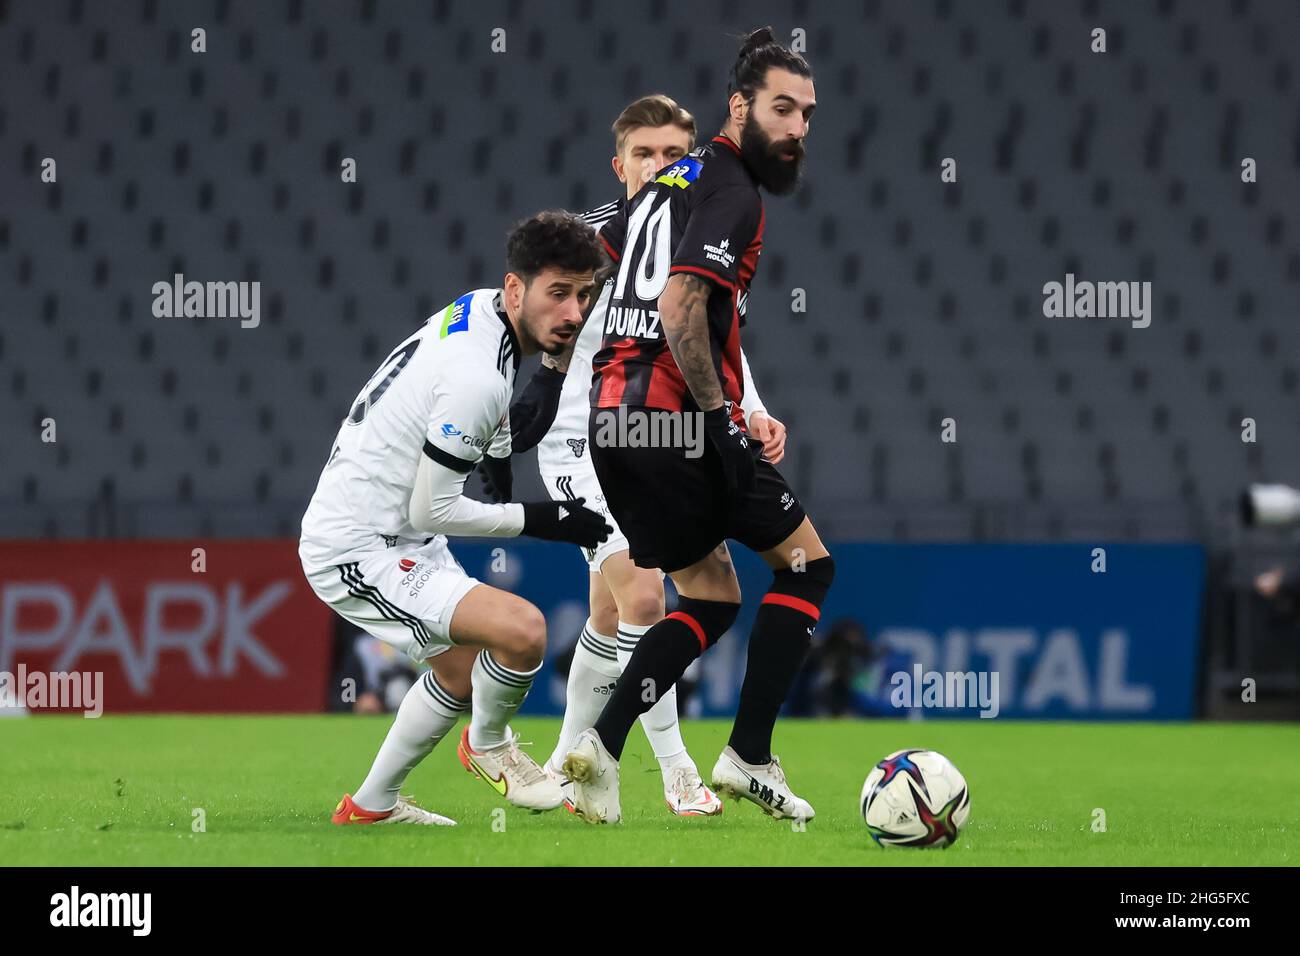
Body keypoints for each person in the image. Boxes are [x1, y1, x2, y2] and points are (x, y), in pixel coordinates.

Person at [562, 28, 832, 824]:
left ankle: (599, 754)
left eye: (808, 115)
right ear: (740, 106)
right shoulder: (732, 191)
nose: (797, 129)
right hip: (673, 421)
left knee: (709, 596)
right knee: (808, 567)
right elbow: (682, 307)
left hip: (615, 427)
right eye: (782, 109)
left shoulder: (660, 186)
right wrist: (720, 423)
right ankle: (748, 757)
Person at [492, 93, 788, 816]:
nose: (659, 166)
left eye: (673, 155)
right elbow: (520, 318)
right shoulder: (588, 243)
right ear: (618, 162)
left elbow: (713, 336)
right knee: (648, 597)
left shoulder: (698, 232)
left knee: (607, 613)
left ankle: (568, 767)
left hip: (659, 435)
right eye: (644, 154)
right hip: (580, 440)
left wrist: (750, 407)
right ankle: (679, 773)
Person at [299, 211, 611, 826]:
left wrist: (497, 462)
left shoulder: (480, 308)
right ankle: (489, 744)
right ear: (516, 289)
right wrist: (544, 519)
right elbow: (434, 505)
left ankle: (370, 807)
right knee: (523, 632)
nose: (574, 312)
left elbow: (476, 419)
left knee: (461, 669)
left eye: (583, 294)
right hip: (357, 548)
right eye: (558, 293)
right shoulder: (479, 380)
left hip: (399, 529)